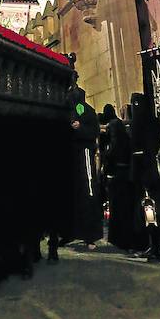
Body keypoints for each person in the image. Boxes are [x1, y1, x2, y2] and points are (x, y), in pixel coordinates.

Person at [129, 92, 160, 262]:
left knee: (154, 211)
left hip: (150, 176)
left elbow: (143, 151)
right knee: (153, 211)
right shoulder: (150, 124)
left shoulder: (145, 125)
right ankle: (158, 244)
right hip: (151, 176)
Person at [64, 87, 102, 250]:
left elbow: (93, 131)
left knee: (88, 191)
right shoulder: (73, 110)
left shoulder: (84, 110)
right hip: (74, 155)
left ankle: (90, 234)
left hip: (84, 153)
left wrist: (80, 128)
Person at [100, 103, 139, 251]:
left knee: (119, 210)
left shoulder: (114, 140)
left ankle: (122, 239)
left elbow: (110, 154)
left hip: (117, 176)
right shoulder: (126, 136)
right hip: (126, 175)